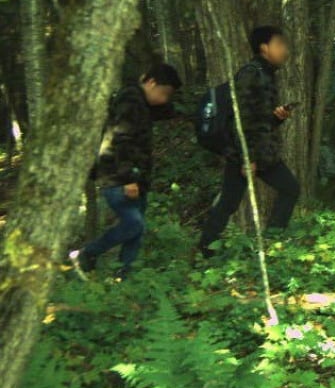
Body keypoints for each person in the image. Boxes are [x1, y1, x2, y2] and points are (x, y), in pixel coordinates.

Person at [70, 64, 183, 279]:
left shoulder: (141, 102)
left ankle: (124, 276)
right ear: (150, 83)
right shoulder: (130, 101)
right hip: (117, 176)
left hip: (134, 176)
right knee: (134, 224)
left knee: (136, 231)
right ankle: (86, 254)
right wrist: (129, 178)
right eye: (164, 93)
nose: (165, 98)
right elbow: (121, 139)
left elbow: (166, 111)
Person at [198, 26, 300, 257]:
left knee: (285, 189)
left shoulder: (265, 74)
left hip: (259, 153)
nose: (284, 50)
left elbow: (259, 119)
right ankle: (206, 252)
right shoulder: (251, 74)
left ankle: (270, 243)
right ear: (264, 48)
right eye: (279, 44)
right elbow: (241, 120)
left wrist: (277, 118)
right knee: (230, 202)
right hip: (248, 153)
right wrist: (248, 158)